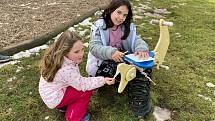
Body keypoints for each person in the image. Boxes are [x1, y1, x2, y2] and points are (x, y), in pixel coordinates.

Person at [86, 0, 152, 118]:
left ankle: (139, 95)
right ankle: (131, 88)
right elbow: (94, 46)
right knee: (128, 69)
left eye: (125, 15)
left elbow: (136, 39)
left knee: (144, 66)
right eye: (119, 12)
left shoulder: (126, 27)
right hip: (102, 63)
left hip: (121, 58)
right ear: (111, 10)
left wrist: (141, 48)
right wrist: (110, 52)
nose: (121, 17)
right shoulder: (100, 26)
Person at [39, 31, 115, 121]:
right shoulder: (66, 70)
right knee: (86, 91)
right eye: (76, 52)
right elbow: (82, 85)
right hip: (55, 97)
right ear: (65, 51)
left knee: (77, 88)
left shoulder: (57, 58)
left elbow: (73, 79)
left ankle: (63, 106)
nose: (81, 54)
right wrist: (103, 80)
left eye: (82, 49)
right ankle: (74, 117)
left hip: (50, 93)